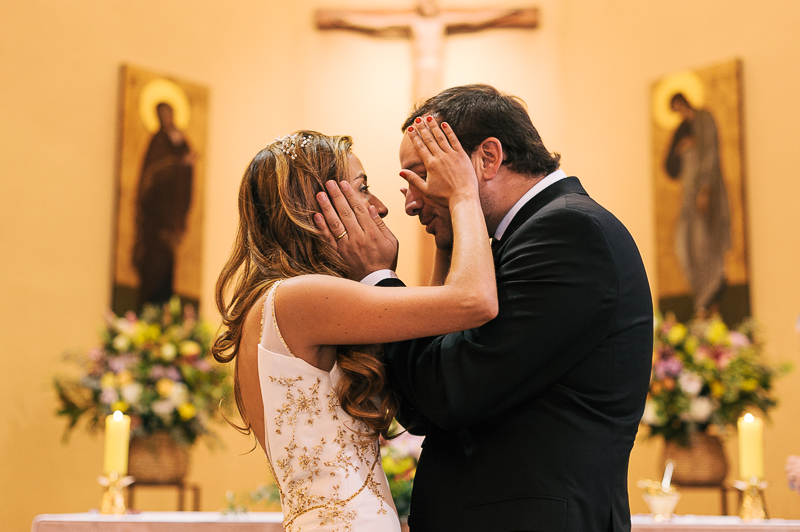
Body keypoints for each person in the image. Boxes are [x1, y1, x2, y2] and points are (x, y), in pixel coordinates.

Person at [316, 84, 654, 532]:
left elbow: (448, 391)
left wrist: (379, 278)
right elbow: (420, 407)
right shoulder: (518, 239)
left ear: (487, 158)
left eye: (423, 173)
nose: (411, 202)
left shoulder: (568, 233)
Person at [212, 129, 497, 532]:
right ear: (316, 207)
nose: (380, 207)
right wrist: (464, 195)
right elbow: (475, 300)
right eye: (363, 189)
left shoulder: (285, 301)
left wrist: (444, 232)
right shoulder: (301, 298)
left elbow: (430, 341)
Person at [665, 93, 731, 316]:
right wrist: (680, 149)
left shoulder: (704, 119)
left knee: (705, 244)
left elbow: (711, 152)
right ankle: (700, 298)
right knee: (684, 246)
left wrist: (704, 188)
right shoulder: (681, 130)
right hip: (688, 198)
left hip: (707, 196)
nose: (680, 112)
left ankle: (711, 293)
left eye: (680, 106)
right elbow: (670, 167)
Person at [133, 102, 196, 309]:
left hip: (172, 211)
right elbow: (150, 174)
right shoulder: (157, 141)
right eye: (161, 114)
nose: (165, 118)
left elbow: (187, 175)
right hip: (155, 211)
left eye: (168, 113)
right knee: (153, 261)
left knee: (168, 263)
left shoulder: (180, 140)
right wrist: (176, 164)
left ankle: (164, 307)